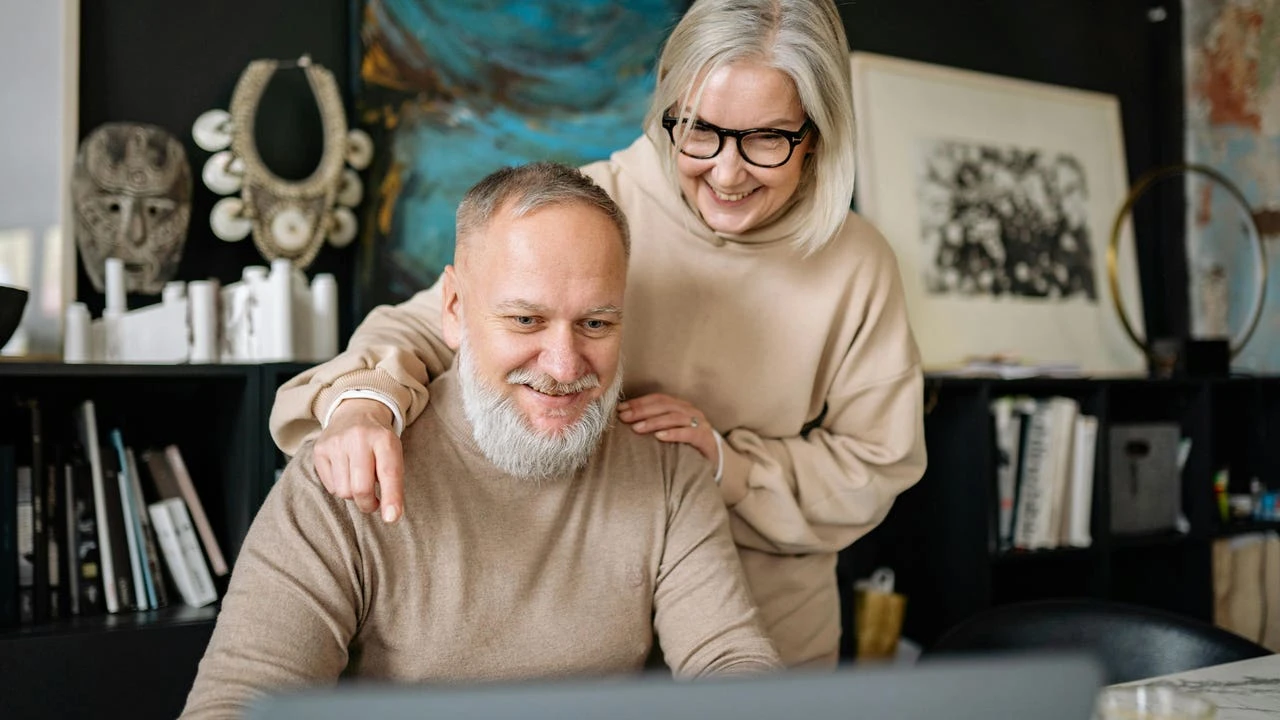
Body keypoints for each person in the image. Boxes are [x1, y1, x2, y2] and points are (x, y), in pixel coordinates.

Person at [270, 0, 927, 669]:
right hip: (592, 616)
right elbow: (431, 324)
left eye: (766, 139)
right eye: (701, 131)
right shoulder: (596, 210)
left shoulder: (858, 264)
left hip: (763, 628)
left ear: (813, 135)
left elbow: (878, 463)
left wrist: (727, 465)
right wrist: (362, 402)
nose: (727, 174)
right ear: (669, 110)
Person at [181, 163, 780, 719]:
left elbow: (729, 662)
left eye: (596, 323)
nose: (565, 365)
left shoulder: (668, 468)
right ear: (454, 310)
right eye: (525, 320)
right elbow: (236, 703)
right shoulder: (349, 468)